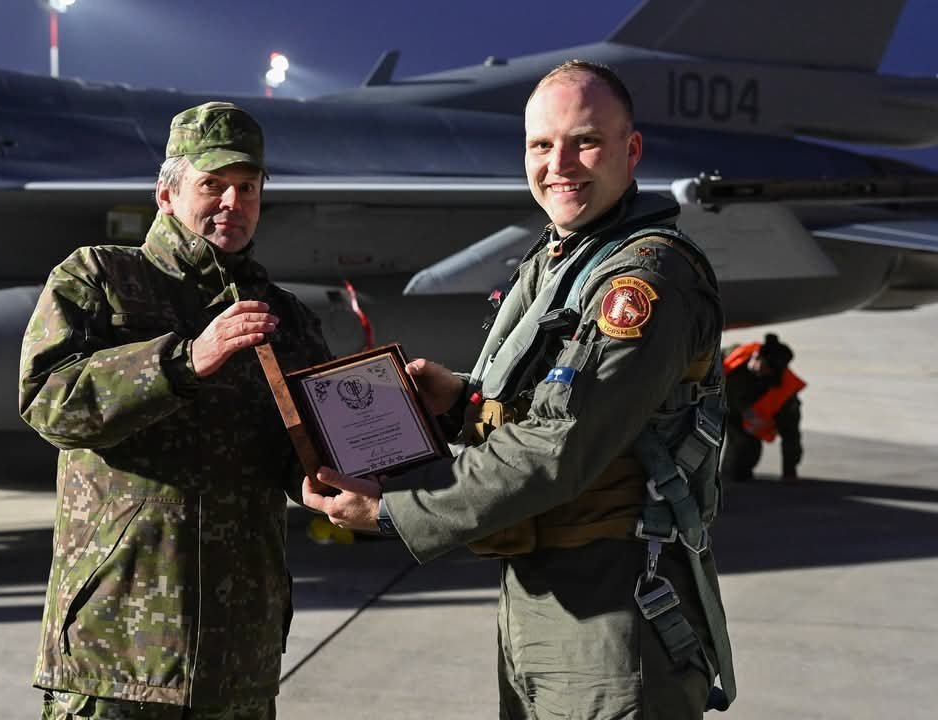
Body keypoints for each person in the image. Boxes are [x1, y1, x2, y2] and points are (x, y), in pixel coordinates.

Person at [303, 61, 736, 719]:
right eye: (541, 145)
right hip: (540, 591)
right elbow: (556, 400)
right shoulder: (566, 256)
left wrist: (394, 509)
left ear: (631, 150)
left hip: (613, 601)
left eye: (585, 142)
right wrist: (463, 399)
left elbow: (558, 446)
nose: (559, 164)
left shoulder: (644, 281)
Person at [18, 102, 331, 719]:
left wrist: (331, 469)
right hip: (117, 651)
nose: (233, 202)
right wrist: (184, 360)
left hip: (240, 656)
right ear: (167, 193)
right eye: (213, 184)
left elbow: (305, 445)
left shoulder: (284, 316)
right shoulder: (98, 278)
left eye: (248, 188)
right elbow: (48, 401)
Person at [721, 333, 804, 482]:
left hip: (746, 417)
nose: (756, 366)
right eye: (757, 359)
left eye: (765, 368)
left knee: (747, 450)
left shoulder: (783, 392)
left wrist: (789, 470)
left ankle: (734, 478)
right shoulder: (731, 357)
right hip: (725, 408)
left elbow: (791, 433)